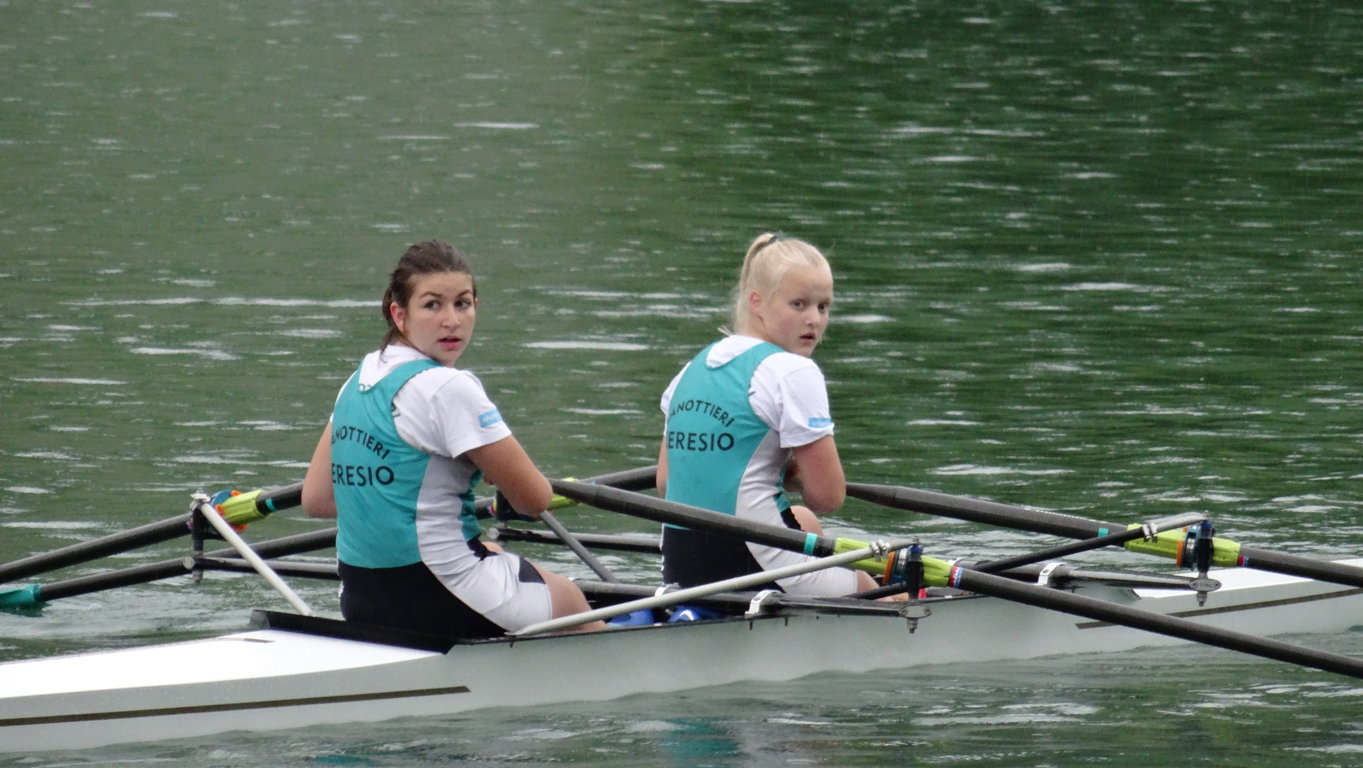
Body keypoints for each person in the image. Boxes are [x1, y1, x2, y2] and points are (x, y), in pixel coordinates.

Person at [301, 240, 605, 637]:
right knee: (570, 599)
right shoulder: (448, 388)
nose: (452, 321)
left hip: (360, 598)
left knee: (493, 555)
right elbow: (534, 501)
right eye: (432, 305)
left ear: (476, 306)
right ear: (399, 314)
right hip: (442, 595)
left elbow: (318, 499)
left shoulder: (356, 383)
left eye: (462, 304)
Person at [656, 232, 885, 599]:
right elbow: (828, 497)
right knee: (876, 588)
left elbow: (666, 482)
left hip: (680, 568)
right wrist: (793, 474)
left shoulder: (690, 370)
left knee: (804, 521)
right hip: (753, 567)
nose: (814, 319)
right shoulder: (792, 371)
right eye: (799, 304)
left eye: (823, 307)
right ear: (757, 302)